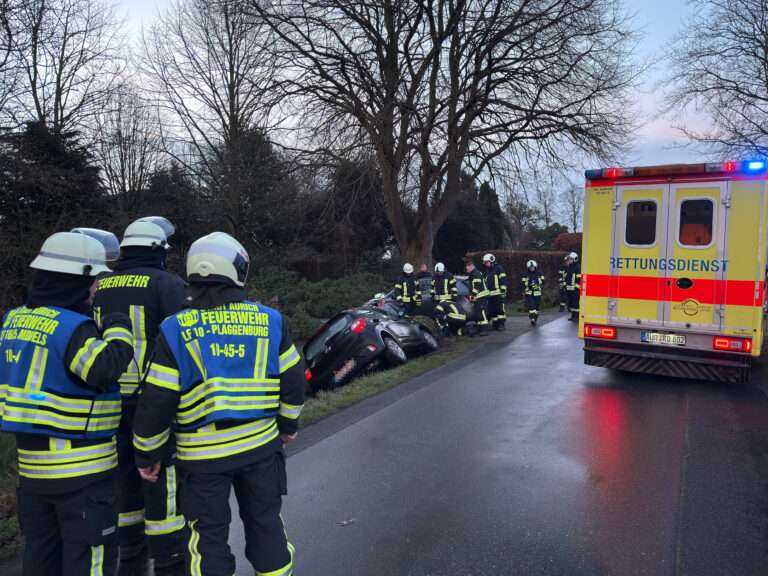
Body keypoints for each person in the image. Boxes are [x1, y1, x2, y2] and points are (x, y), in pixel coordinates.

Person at [132, 232, 306, 576]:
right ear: (234, 270)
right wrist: (287, 426)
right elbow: (294, 380)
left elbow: (156, 400)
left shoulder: (174, 329)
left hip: (202, 459)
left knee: (207, 539)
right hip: (260, 449)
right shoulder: (270, 321)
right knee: (266, 527)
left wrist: (146, 453)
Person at [0, 231, 134, 576]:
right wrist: (119, 325)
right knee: (89, 562)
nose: (96, 291)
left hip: (33, 473)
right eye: (95, 282)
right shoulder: (73, 329)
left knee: (42, 559)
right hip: (83, 474)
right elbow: (105, 367)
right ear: (78, 279)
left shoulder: (13, 320)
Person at [92, 217, 187, 576]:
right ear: (158, 251)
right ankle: (170, 563)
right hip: (153, 406)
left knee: (125, 491)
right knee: (163, 489)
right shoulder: (168, 284)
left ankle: (130, 561)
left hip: (108, 408)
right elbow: (184, 343)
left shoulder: (97, 286)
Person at [482, 253, 508, 330]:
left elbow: (503, 279)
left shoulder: (499, 269)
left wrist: (503, 289)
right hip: (490, 295)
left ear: (492, 261)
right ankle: (495, 324)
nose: (486, 264)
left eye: (487, 262)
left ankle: (501, 324)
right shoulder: (487, 271)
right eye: (485, 262)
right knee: (492, 310)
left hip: (498, 294)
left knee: (499, 310)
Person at [464, 259, 490, 336]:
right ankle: (480, 329)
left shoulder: (475, 274)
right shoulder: (474, 274)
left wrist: (472, 295)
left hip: (481, 297)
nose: (466, 269)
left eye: (467, 268)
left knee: (482, 313)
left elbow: (476, 286)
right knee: (479, 314)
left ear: (471, 266)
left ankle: (484, 330)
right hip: (479, 297)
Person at [522, 260, 545, 326]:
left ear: (535, 267)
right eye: (530, 267)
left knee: (536, 308)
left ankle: (535, 318)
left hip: (537, 293)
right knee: (532, 306)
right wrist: (529, 285)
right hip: (529, 293)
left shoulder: (539, 273)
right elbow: (523, 283)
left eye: (533, 267)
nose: (532, 268)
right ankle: (532, 318)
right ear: (528, 268)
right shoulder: (526, 274)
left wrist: (536, 285)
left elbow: (543, 281)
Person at [565, 252, 582, 322]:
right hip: (569, 289)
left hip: (575, 289)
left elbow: (579, 279)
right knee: (571, 303)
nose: (569, 260)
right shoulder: (570, 267)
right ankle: (572, 316)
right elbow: (568, 278)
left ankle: (577, 316)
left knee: (575, 303)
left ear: (575, 259)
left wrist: (576, 288)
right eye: (569, 259)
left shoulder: (577, 267)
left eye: (571, 259)